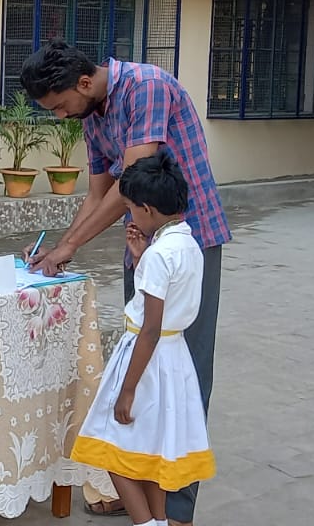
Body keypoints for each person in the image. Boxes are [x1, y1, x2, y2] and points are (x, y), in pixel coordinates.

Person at [20, 42, 229, 525]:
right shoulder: (91, 114)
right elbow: (99, 193)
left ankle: (175, 508)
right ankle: (139, 481)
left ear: (84, 83)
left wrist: (69, 246)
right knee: (146, 369)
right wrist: (59, 247)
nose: (61, 116)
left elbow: (132, 174)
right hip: (143, 243)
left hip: (189, 240)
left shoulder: (146, 87)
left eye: (59, 106)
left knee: (184, 372)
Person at [71, 153, 215, 526]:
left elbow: (149, 328)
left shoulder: (158, 257)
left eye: (132, 208)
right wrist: (140, 258)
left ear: (148, 210)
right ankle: (159, 519)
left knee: (111, 451)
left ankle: (144, 523)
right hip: (174, 358)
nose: (130, 215)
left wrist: (128, 389)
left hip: (145, 362)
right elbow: (167, 301)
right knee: (152, 453)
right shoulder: (189, 246)